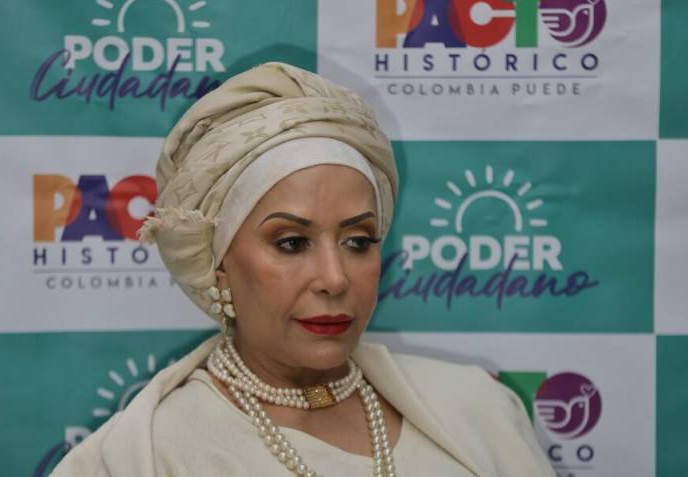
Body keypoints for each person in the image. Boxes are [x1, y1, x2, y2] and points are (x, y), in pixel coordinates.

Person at [50, 62, 555, 477]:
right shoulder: (144, 457)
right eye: (291, 243)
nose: (334, 279)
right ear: (219, 264)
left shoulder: (479, 411)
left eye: (358, 241)